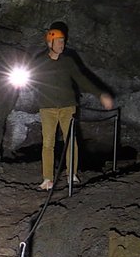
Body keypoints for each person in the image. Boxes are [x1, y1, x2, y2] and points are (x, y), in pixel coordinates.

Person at [32, 25, 115, 190]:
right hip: (47, 108)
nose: (62, 44)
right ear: (50, 43)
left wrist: (100, 94)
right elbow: (30, 78)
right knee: (48, 143)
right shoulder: (39, 61)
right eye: (58, 42)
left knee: (71, 141)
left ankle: (71, 174)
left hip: (68, 107)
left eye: (63, 41)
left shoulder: (68, 61)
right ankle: (47, 178)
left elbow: (81, 79)